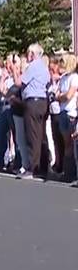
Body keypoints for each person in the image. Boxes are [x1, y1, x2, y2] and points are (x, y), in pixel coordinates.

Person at [13, 43, 50, 180]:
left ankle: (33, 168)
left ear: (32, 54)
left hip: (33, 102)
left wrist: (14, 70)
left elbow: (19, 82)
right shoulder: (43, 67)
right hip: (41, 101)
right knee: (40, 135)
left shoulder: (34, 66)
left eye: (29, 53)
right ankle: (42, 167)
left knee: (33, 135)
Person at [56, 54, 78, 182]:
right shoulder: (64, 78)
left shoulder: (74, 78)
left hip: (71, 112)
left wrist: (61, 96)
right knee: (66, 144)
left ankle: (72, 171)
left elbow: (69, 96)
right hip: (62, 111)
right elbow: (58, 93)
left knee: (72, 143)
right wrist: (61, 96)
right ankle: (68, 171)